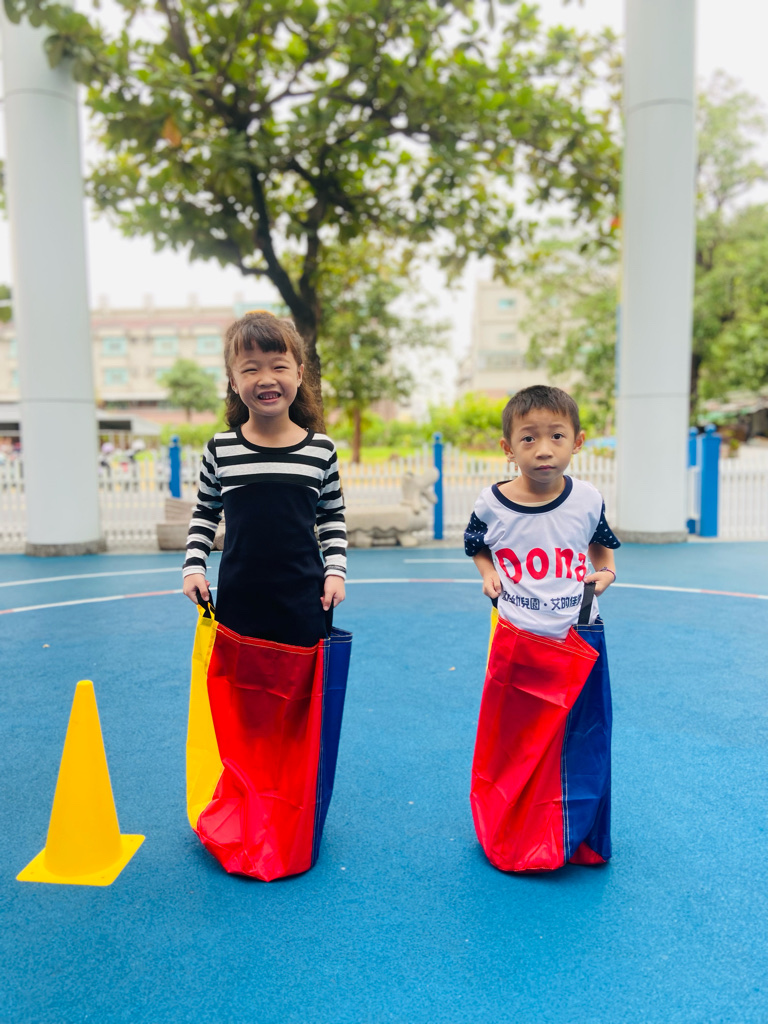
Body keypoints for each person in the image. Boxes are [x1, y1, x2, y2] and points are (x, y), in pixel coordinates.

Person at [182, 310, 347, 647]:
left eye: (278, 366)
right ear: (233, 381)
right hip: (239, 600)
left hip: (305, 599)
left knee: (304, 681)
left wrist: (335, 572)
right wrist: (193, 566)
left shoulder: (321, 450)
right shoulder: (220, 449)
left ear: (299, 374)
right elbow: (205, 512)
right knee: (241, 681)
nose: (266, 378)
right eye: (251, 368)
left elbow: (331, 516)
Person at [464, 385, 620, 638]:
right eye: (528, 439)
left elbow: (598, 538)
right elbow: (475, 544)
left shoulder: (588, 498)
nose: (544, 451)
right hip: (514, 634)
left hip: (578, 631)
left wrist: (607, 571)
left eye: (557, 436)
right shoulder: (491, 504)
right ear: (508, 449)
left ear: (577, 442)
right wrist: (488, 571)